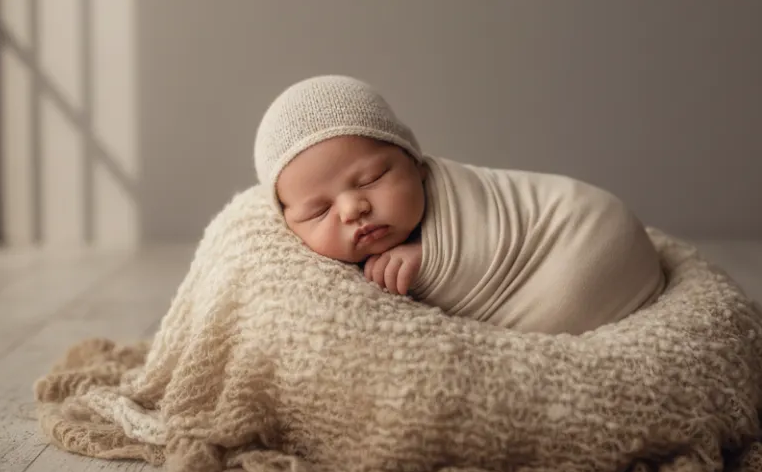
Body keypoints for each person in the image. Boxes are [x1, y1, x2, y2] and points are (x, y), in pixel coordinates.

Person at [253, 75, 665, 335]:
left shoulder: (456, 191)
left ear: (416, 165)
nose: (352, 209)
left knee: (576, 288)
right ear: (289, 223)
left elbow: (489, 233)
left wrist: (428, 260)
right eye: (318, 212)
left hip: (586, 235)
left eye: (372, 179)